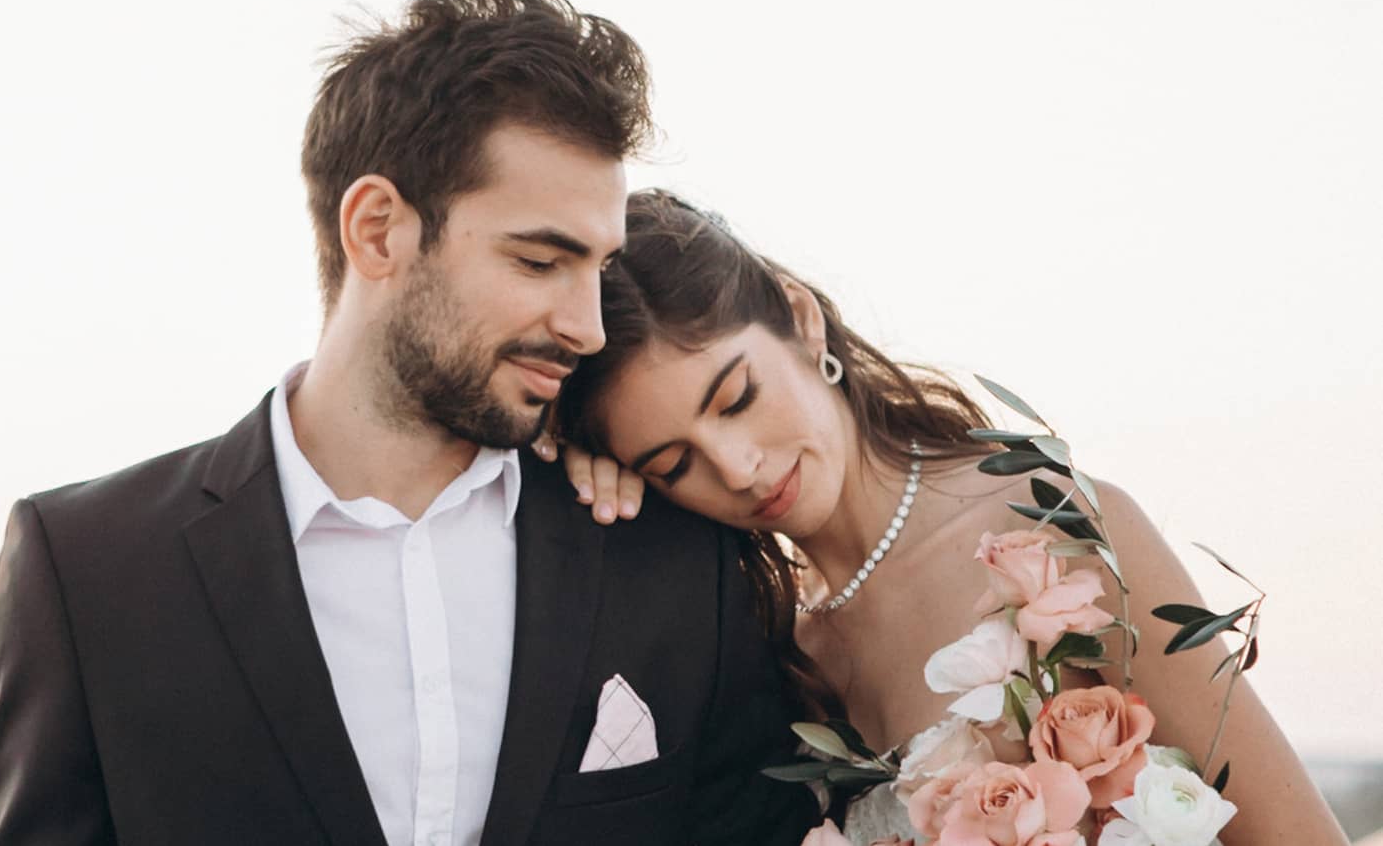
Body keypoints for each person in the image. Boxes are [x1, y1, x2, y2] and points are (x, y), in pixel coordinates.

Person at [0, 0, 819, 845]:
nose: (588, 325)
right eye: (540, 260)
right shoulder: (87, 572)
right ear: (377, 231)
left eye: (599, 268)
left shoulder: (672, 563)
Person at [551, 189, 1348, 844]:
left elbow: (1298, 836)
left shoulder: (1051, 526)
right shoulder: (778, 659)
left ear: (799, 319)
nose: (736, 466)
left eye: (738, 398)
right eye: (673, 464)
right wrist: (567, 480)